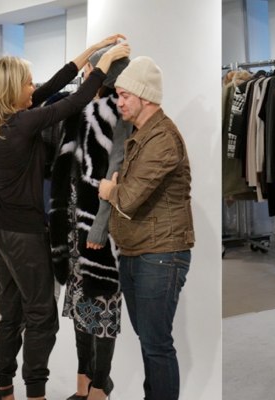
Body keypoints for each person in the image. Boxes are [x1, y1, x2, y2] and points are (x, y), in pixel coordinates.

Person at [0, 35, 130, 400]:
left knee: (10, 313)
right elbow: (76, 100)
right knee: (41, 317)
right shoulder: (24, 124)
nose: (35, 88)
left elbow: (54, 85)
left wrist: (93, 49)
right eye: (28, 83)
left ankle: (3, 388)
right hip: (23, 237)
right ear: (13, 91)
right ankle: (36, 394)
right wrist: (104, 63)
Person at [98, 56, 195, 400]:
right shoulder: (143, 135)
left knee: (156, 344)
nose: (119, 102)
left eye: (125, 96)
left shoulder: (163, 139)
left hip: (161, 255)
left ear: (145, 97)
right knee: (150, 341)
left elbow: (128, 198)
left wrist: (109, 190)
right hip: (138, 252)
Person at [48, 45, 132, 400]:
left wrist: (99, 226)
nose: (85, 76)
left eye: (91, 71)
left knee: (103, 308)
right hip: (72, 225)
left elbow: (116, 174)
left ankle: (100, 385)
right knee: (81, 308)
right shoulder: (77, 111)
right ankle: (83, 383)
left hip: (99, 225)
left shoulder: (119, 114)